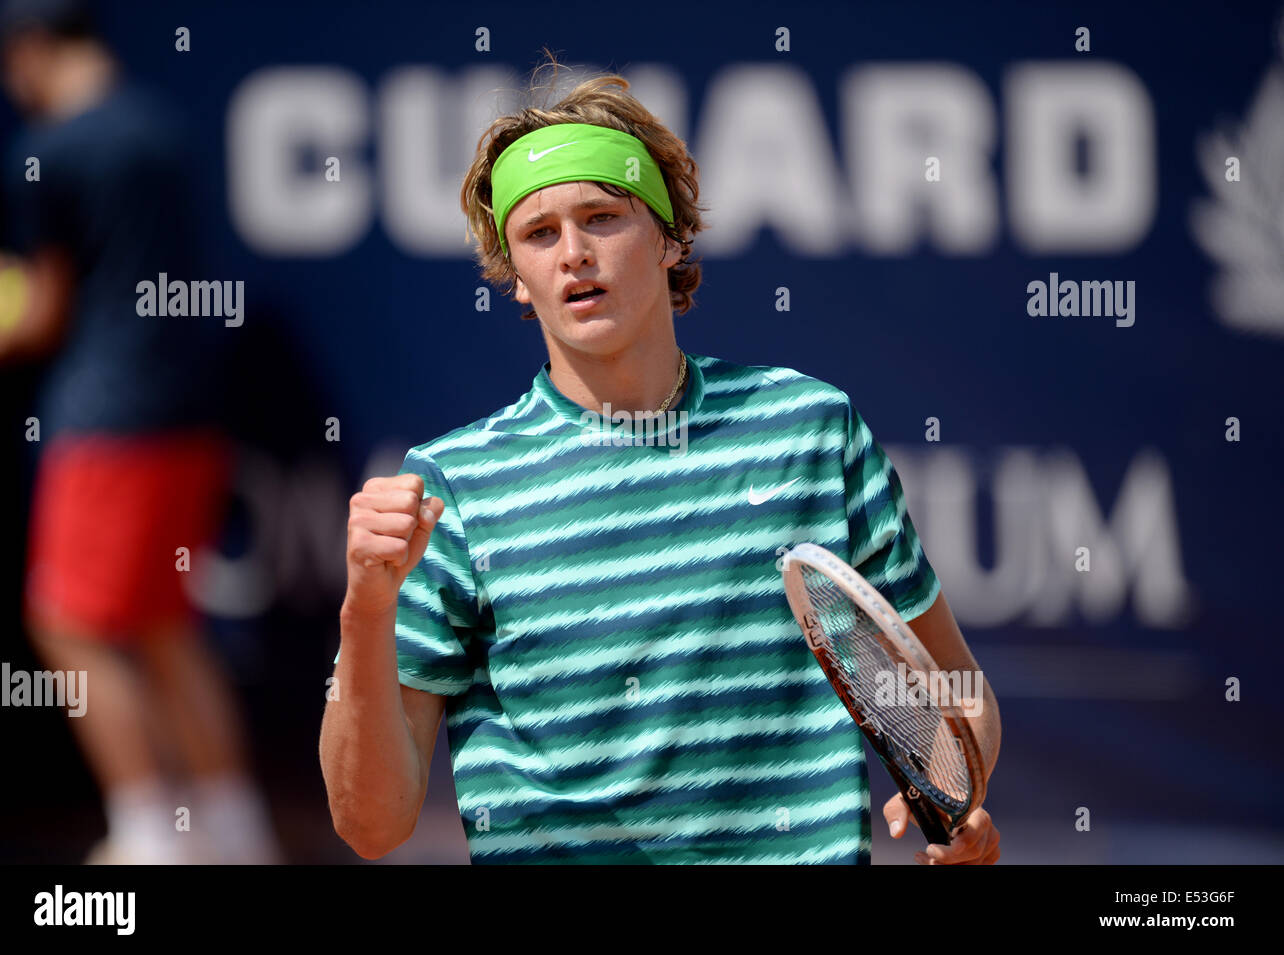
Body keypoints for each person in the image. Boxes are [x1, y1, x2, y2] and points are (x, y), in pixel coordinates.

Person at [320, 59, 1002, 864]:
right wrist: (366, 605)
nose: (573, 252)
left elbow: (957, 693)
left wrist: (956, 799)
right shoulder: (451, 488)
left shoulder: (809, 428)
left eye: (602, 217)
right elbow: (372, 825)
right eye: (539, 233)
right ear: (513, 277)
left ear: (672, 237)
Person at [0, 0, 279, 864]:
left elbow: (40, 314)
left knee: (67, 623)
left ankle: (152, 834)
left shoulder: (48, 151)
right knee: (161, 622)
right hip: (189, 410)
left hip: (108, 418)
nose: (10, 82)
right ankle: (233, 832)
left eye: (7, 63)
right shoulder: (164, 130)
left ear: (33, 49)